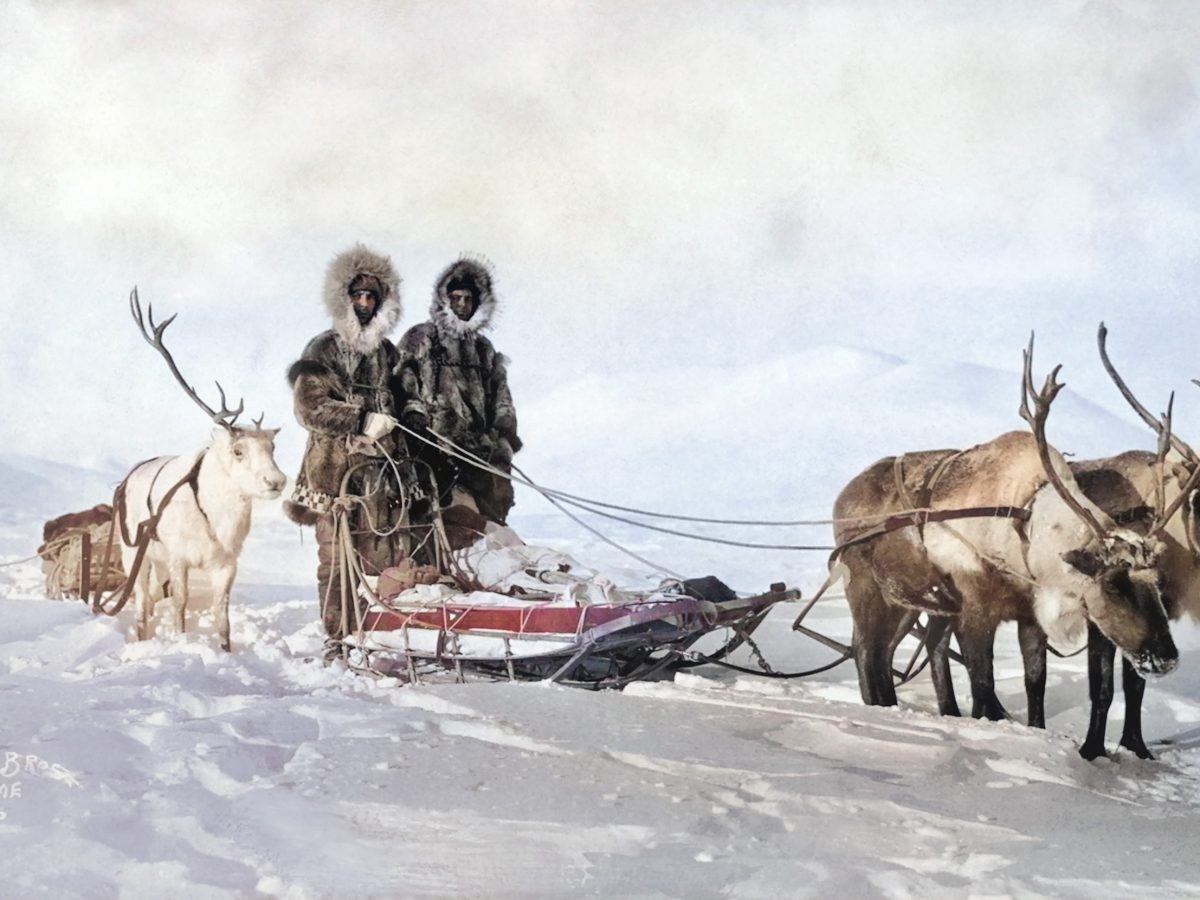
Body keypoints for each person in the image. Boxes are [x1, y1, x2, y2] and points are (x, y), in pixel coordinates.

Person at [284, 243, 407, 645]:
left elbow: (409, 403)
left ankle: (377, 640)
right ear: (345, 298)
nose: (366, 303)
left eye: (373, 296)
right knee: (336, 562)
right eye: (359, 295)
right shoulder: (323, 347)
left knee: (384, 559)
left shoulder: (390, 353)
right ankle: (339, 640)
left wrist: (411, 419)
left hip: (382, 476)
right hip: (332, 474)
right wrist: (360, 419)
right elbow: (309, 407)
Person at [394, 257, 522, 541]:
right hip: (434, 447)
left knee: (490, 517)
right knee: (439, 521)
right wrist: (416, 423)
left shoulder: (484, 349)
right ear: (444, 299)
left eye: (468, 299)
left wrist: (503, 437)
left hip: (479, 451)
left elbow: (501, 396)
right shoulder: (420, 338)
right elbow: (403, 386)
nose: (462, 305)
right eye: (456, 298)